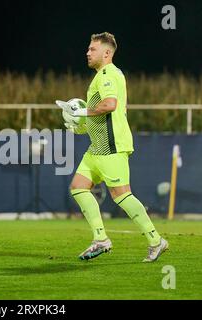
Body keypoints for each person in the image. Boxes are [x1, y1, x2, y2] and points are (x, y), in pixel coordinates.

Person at [57, 32, 168, 262]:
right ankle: (100, 239)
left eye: (92, 49)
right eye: (88, 49)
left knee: (122, 196)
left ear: (106, 53)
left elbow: (109, 105)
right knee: (78, 187)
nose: (88, 52)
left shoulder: (108, 73)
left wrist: (82, 111)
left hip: (111, 146)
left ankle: (156, 240)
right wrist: (76, 125)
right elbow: (98, 117)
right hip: (96, 148)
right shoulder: (101, 76)